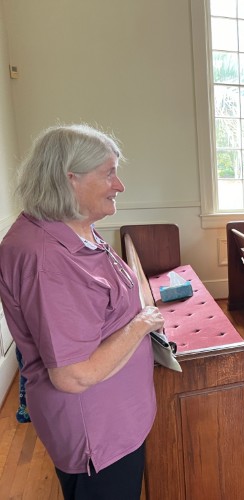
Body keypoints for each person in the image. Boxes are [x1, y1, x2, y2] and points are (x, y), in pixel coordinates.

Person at [0, 124, 165, 500]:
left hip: (114, 420)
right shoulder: (47, 259)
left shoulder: (72, 227)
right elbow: (74, 375)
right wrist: (141, 323)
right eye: (108, 173)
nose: (119, 185)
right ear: (69, 178)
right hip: (98, 433)